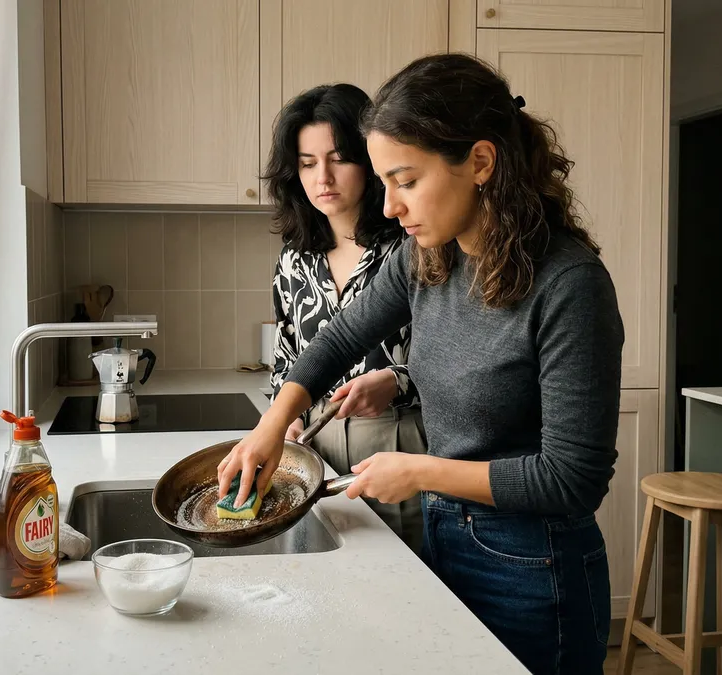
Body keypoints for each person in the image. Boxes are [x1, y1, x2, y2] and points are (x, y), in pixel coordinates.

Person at [220, 53, 624, 675]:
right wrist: (272, 425)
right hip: (446, 537)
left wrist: (419, 472)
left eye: (406, 181)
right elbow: (339, 337)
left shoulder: (570, 285)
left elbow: (571, 479)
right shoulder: (425, 260)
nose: (388, 208)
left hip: (535, 570)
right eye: (384, 183)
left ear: (481, 163)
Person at [261, 82, 426, 551]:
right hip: (318, 449)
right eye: (308, 163)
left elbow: (452, 358)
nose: (323, 178)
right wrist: (285, 419)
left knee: (407, 583)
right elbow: (287, 357)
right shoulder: (295, 258)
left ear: (371, 162)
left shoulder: (412, 244)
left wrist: (397, 381)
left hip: (401, 442)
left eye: (339, 159)